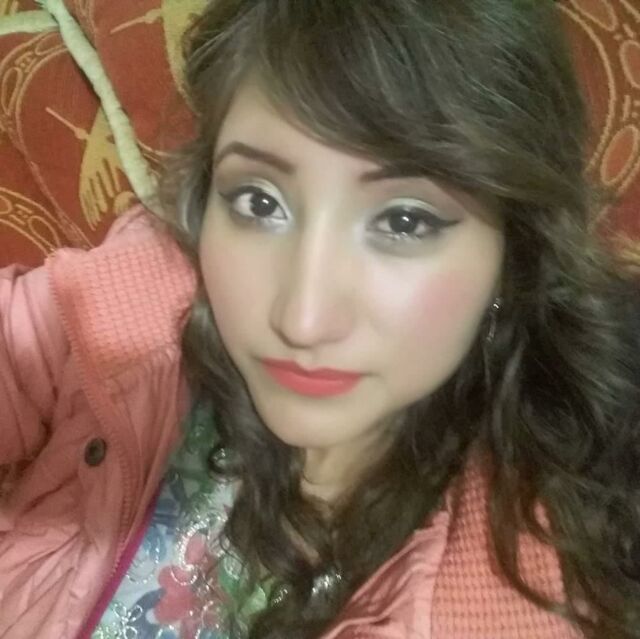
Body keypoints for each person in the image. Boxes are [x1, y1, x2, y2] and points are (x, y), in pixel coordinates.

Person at [1, 0, 640, 637]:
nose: (302, 321)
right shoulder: (142, 286)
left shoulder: (516, 597)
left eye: (404, 220)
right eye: (259, 202)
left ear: (513, 251)